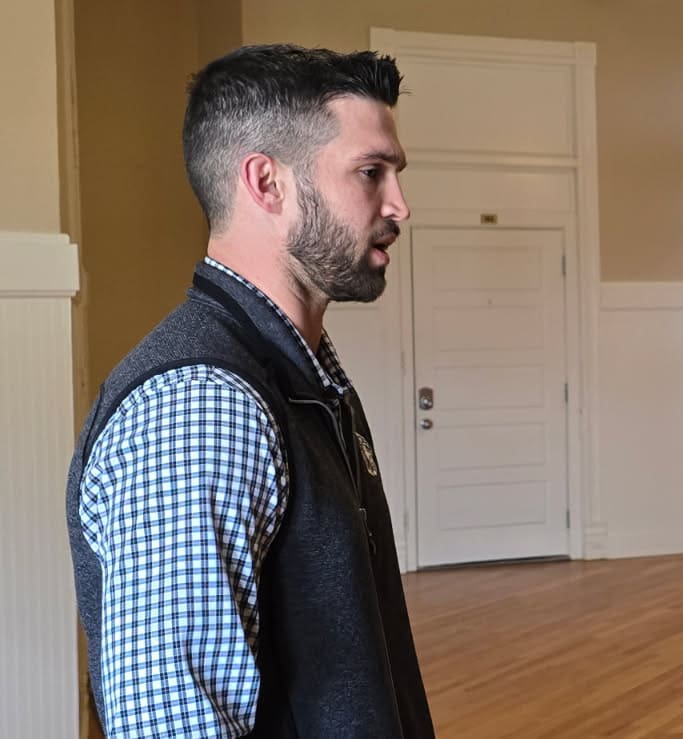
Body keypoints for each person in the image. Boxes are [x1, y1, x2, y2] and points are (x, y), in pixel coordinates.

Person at [65, 44, 434, 737]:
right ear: (268, 183)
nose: (399, 205)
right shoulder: (201, 405)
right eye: (371, 172)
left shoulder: (303, 377)